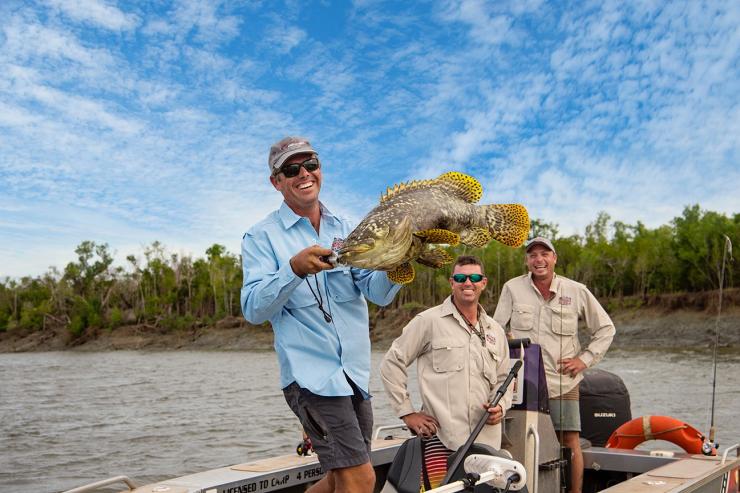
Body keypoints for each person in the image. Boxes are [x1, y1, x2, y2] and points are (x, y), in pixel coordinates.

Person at [241, 136, 402, 493]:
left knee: (339, 477)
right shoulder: (260, 236)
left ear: (320, 169)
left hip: (354, 375)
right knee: (361, 477)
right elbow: (253, 308)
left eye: (310, 164)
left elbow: (375, 292)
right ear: (276, 181)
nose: (304, 174)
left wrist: (399, 262)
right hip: (310, 378)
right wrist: (293, 269)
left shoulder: (345, 228)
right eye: (291, 169)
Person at [493, 237, 615, 493]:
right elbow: (495, 330)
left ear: (554, 258)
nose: (539, 259)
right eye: (533, 255)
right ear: (527, 261)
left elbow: (605, 328)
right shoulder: (512, 288)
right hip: (524, 383)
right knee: (521, 440)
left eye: (544, 254)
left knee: (569, 441)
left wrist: (584, 359)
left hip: (563, 381)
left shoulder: (577, 290)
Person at [380, 255, 512, 490]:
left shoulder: (496, 330)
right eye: (461, 277)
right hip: (442, 440)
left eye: (474, 278)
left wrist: (502, 407)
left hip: (487, 444)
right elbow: (392, 362)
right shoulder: (428, 321)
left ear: (484, 282)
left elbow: (505, 378)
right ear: (452, 282)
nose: (467, 283)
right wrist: (407, 413)